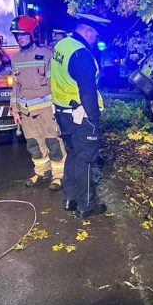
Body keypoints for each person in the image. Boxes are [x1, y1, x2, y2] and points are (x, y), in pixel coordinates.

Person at [51, 13, 110, 218]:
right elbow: (88, 92)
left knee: (73, 156)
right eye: (95, 35)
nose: (96, 39)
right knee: (86, 159)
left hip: (62, 112)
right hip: (80, 115)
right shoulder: (81, 54)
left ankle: (70, 199)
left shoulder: (61, 45)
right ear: (86, 31)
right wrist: (94, 121)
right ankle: (86, 206)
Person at [9, 15, 66, 189]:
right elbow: (16, 87)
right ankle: (41, 172)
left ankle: (59, 175)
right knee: (34, 144)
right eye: (18, 35)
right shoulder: (15, 59)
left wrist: (58, 107)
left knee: (53, 143)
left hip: (46, 110)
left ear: (33, 34)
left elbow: (55, 84)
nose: (21, 38)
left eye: (24, 35)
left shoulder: (47, 55)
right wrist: (15, 109)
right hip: (26, 113)